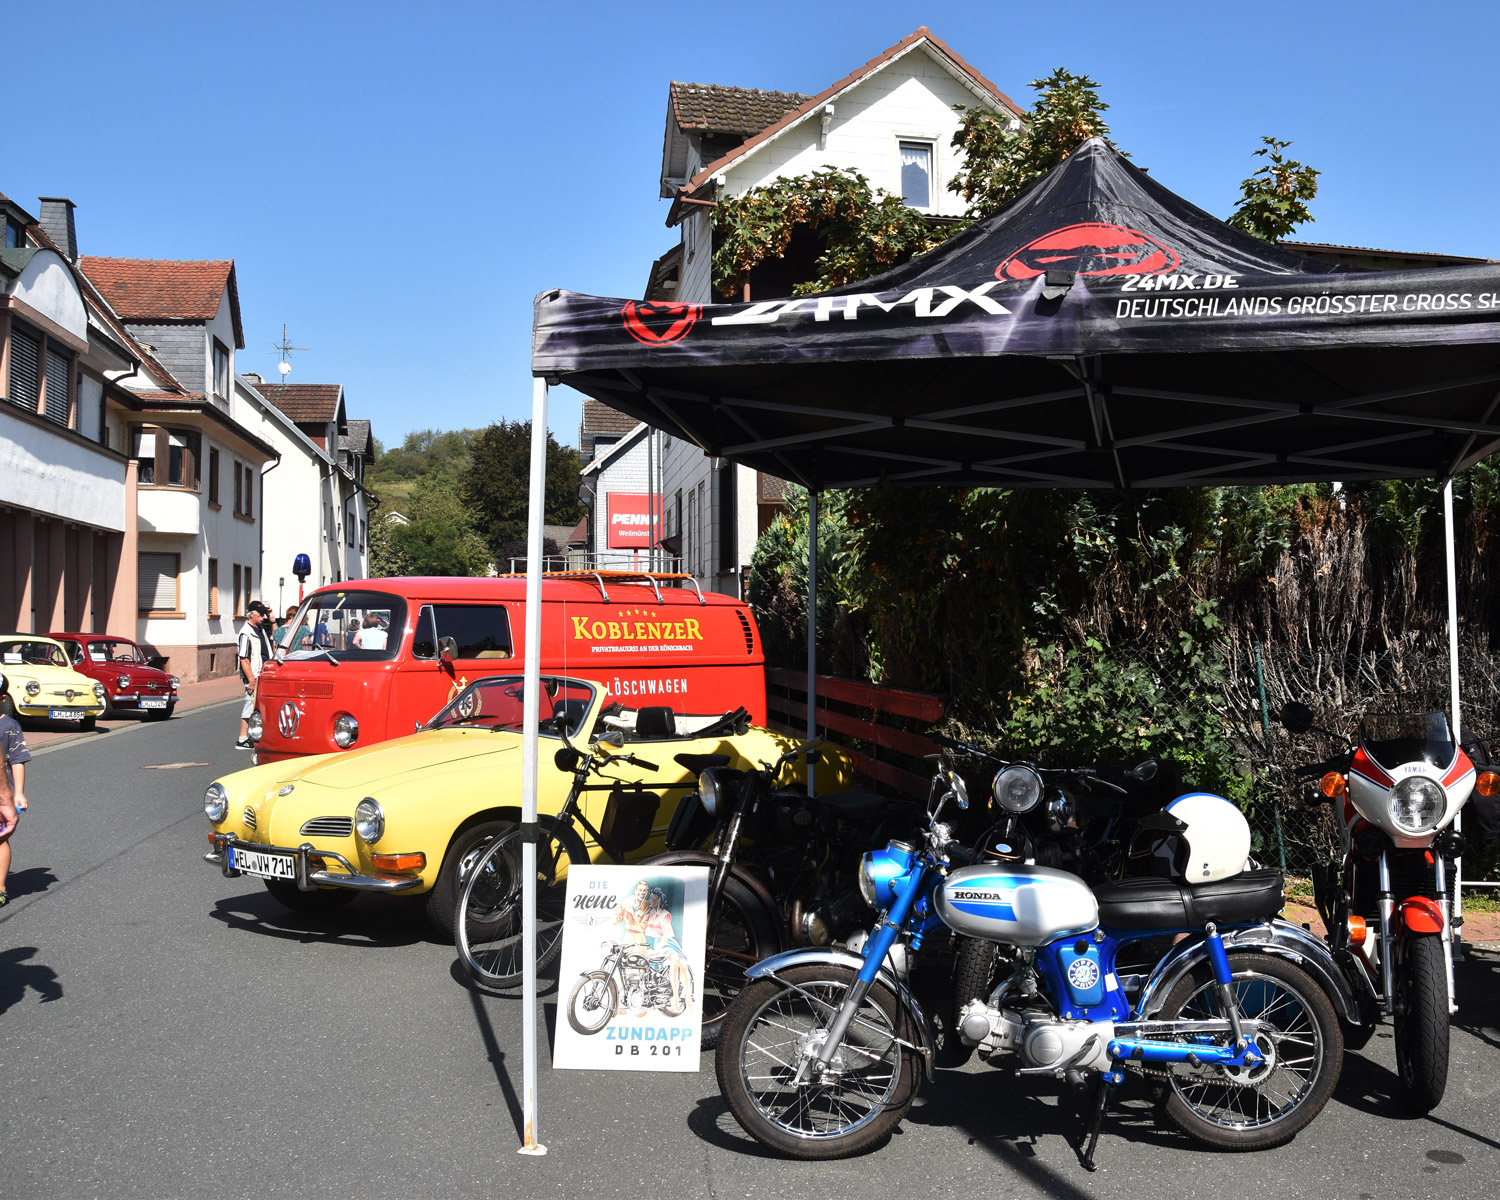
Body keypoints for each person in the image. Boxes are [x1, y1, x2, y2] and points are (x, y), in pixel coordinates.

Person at [0, 673, 25, 907]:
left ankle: (0, 888)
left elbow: (17, 760)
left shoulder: (9, 726)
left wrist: (18, 792)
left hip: (1, 792)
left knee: (0, 840)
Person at [235, 601, 275, 750]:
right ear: (251, 614)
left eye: (264, 614)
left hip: (263, 674)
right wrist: (251, 680)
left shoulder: (260, 629)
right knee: (249, 705)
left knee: (260, 707)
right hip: (254, 676)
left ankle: (256, 736)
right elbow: (244, 659)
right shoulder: (246, 633)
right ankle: (242, 739)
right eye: (260, 614)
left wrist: (270, 615)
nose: (263, 617)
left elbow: (273, 627)